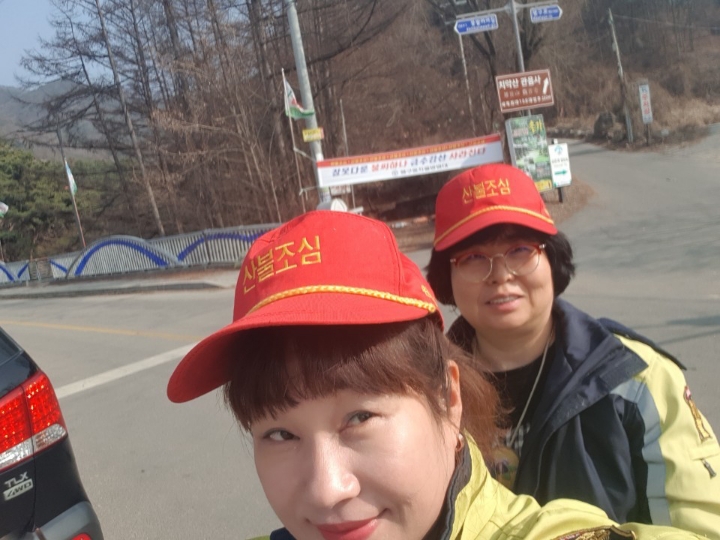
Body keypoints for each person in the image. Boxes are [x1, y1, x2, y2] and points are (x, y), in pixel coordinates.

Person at [168, 210, 704, 540]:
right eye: (279, 434)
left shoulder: (632, 377)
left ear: (450, 397)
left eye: (360, 417)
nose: (327, 489)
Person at [426, 162, 720, 537]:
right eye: (472, 258)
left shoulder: (636, 380)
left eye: (520, 250)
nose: (500, 275)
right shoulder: (424, 391)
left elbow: (701, 526)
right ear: (446, 277)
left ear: (552, 259)